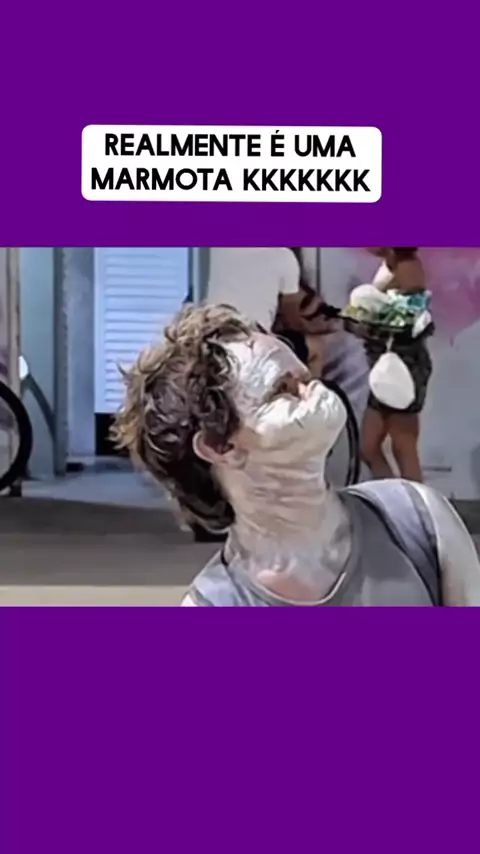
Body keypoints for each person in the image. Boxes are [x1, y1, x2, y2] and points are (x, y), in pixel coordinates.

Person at [113, 304, 480, 606]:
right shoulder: (215, 606)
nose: (314, 390)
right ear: (220, 446)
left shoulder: (419, 520)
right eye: (283, 389)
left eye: (305, 377)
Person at [361, 248, 432, 482]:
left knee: (403, 445)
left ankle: (415, 502)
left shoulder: (407, 267)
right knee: (368, 446)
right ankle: (393, 496)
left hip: (403, 365)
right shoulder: (390, 264)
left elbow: (413, 321)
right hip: (384, 364)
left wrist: (366, 321)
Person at [207, 247, 304, 333]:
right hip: (252, 334)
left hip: (210, 327)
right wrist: (306, 329)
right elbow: (291, 315)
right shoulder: (284, 256)